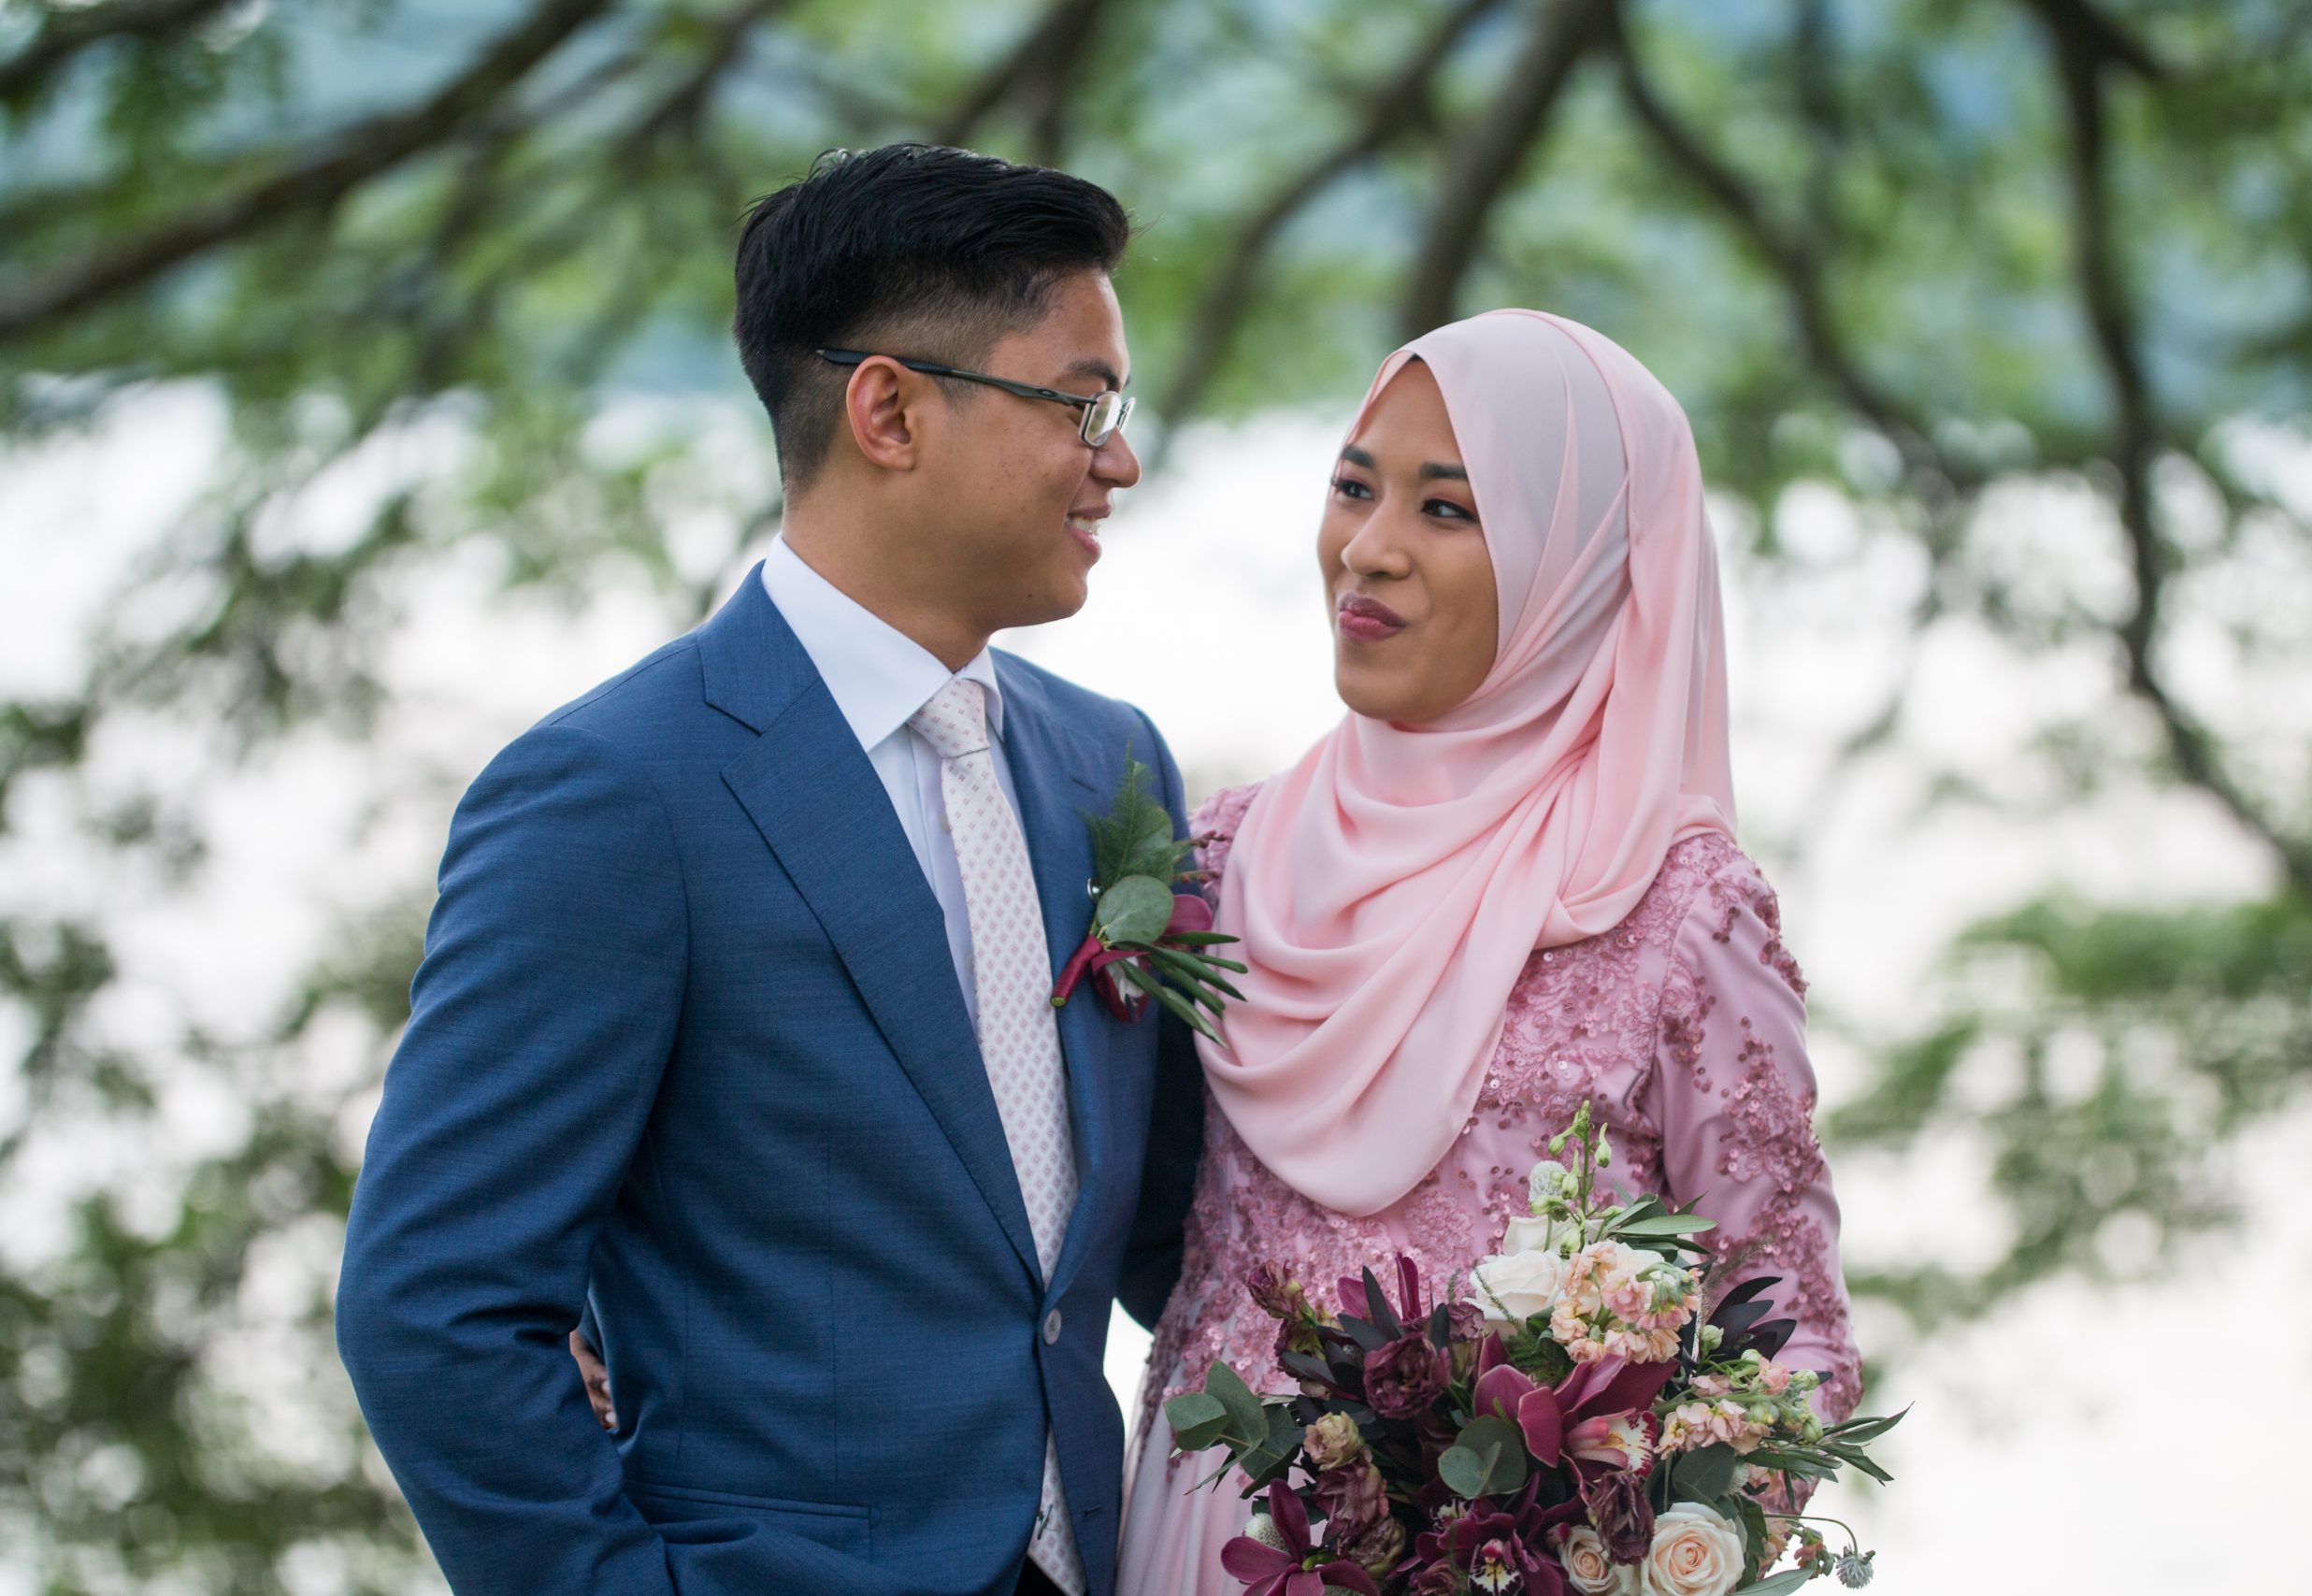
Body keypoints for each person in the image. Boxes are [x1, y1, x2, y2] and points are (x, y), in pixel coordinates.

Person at [336, 144, 1206, 1596]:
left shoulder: (1110, 769)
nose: (1116, 458)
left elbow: (1175, 1230)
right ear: (889, 410)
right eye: (1081, 403)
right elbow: (437, 1306)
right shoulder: (615, 794)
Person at [1113, 310, 1862, 1592]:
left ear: (1574, 563)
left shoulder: (1677, 906)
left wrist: (1626, 1551)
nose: (1368, 550)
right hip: (1211, 1547)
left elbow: (1789, 1344)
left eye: (1447, 511)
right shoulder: (1225, 859)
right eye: (1354, 487)